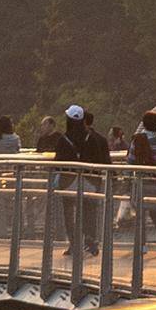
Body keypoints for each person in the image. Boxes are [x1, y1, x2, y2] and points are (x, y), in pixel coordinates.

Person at [50, 103, 110, 265]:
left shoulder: (64, 139)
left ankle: (73, 243)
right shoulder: (92, 138)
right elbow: (101, 160)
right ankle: (90, 241)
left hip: (69, 182)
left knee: (69, 211)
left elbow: (58, 163)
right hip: (90, 181)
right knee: (89, 209)